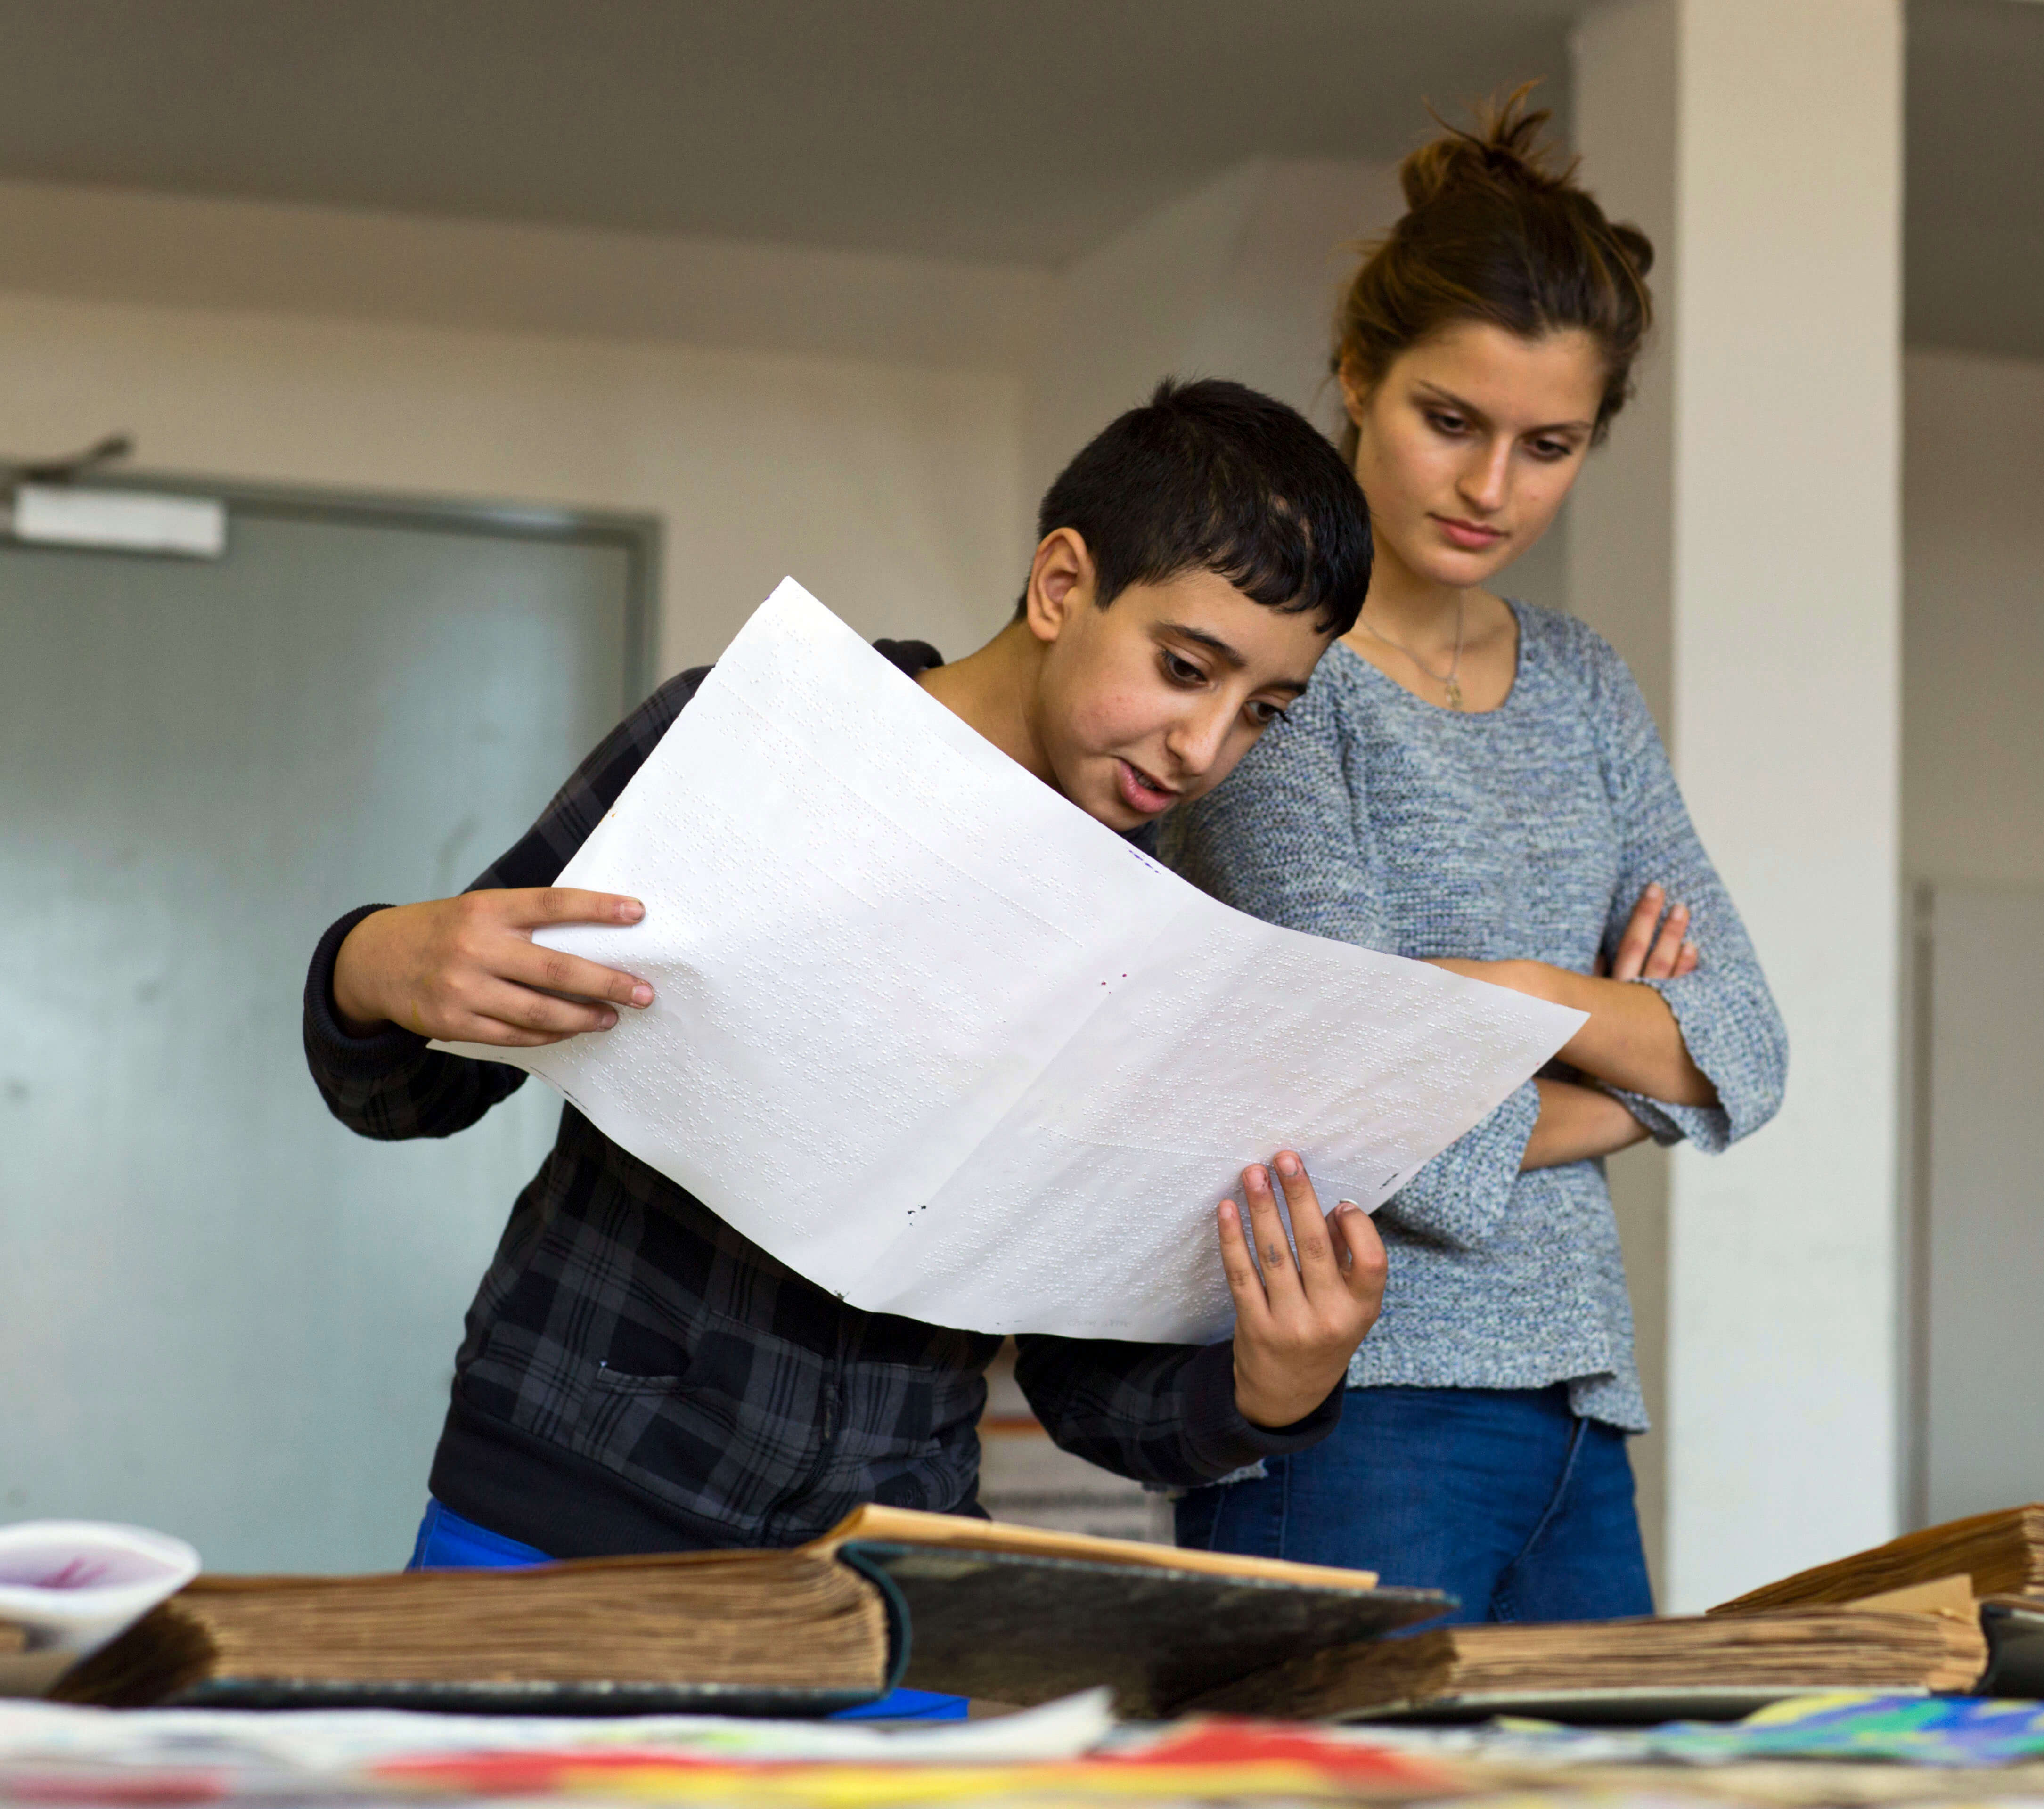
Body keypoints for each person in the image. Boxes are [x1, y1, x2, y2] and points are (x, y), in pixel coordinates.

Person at [303, 383, 1389, 1703]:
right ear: (1061, 585)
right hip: (559, 1521)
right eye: (1184, 668)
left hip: (895, 1594)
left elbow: (1085, 1387)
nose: (1208, 745)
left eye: (1264, 710)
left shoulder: (1156, 951)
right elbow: (414, 1087)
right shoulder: (746, 746)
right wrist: (376, 962)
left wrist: (1273, 1386)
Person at [1157, 98, 1787, 1622]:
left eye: (1548, 444)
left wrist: (1493, 993)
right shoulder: (1281, 688)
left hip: (1582, 1408)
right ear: (1360, 381)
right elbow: (1385, 1125)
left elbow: (1755, 1053)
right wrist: (1645, 1082)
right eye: (1453, 421)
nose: (1491, 487)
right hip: (1351, 1406)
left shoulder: (1583, 685)